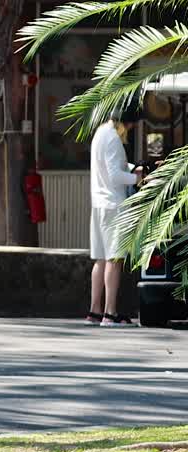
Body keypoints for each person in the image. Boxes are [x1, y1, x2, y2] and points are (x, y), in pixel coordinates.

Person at [87, 104, 143, 327]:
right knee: (115, 259)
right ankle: (110, 313)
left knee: (101, 259)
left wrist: (133, 168)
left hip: (99, 204)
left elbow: (112, 166)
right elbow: (114, 175)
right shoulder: (112, 138)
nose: (130, 128)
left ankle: (94, 311)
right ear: (123, 122)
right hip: (113, 205)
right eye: (130, 124)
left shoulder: (101, 132)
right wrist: (138, 178)